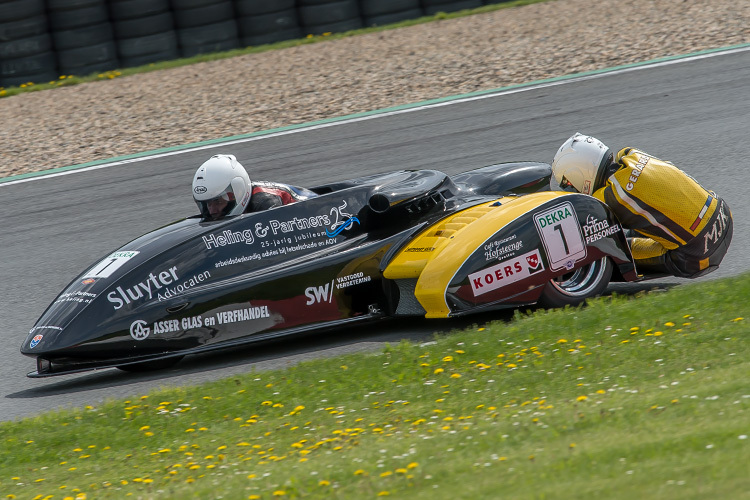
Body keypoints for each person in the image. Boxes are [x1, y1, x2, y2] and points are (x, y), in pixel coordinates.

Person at [550, 133, 732, 278]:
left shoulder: (610, 197)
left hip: (697, 254)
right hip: (723, 214)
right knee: (644, 215)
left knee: (603, 248)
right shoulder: (631, 154)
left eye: (568, 183)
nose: (570, 189)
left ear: (579, 174)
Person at [192, 154, 317, 220]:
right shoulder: (215, 212)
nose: (212, 211)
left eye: (218, 202)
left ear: (237, 191)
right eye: (208, 204)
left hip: (316, 211)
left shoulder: (266, 202)